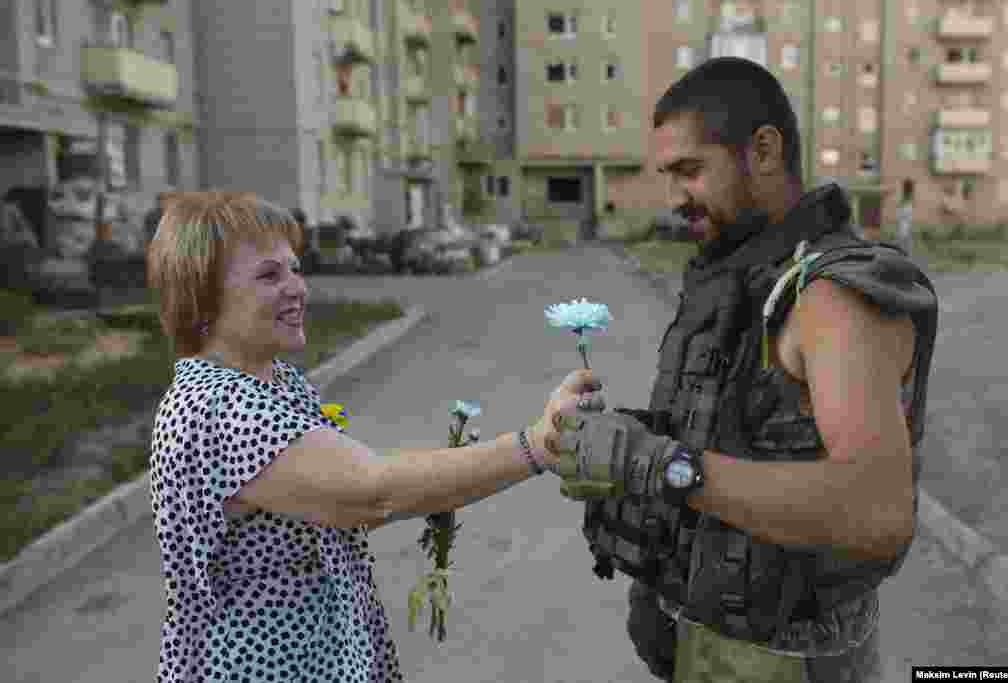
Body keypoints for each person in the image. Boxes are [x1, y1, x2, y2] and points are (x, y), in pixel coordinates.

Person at [552, 57, 938, 682]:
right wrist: (653, 588)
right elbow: (716, 441)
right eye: (667, 175)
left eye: (690, 171)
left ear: (763, 150)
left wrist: (648, 463)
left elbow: (876, 515)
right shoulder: (738, 276)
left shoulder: (833, 298)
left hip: (786, 659)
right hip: (707, 633)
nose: (674, 197)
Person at [143, 191, 604, 682]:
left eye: (295, 269)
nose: (297, 288)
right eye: (268, 275)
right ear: (202, 297)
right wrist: (536, 446)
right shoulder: (217, 407)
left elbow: (341, 497)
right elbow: (372, 493)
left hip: (319, 657)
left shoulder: (273, 380)